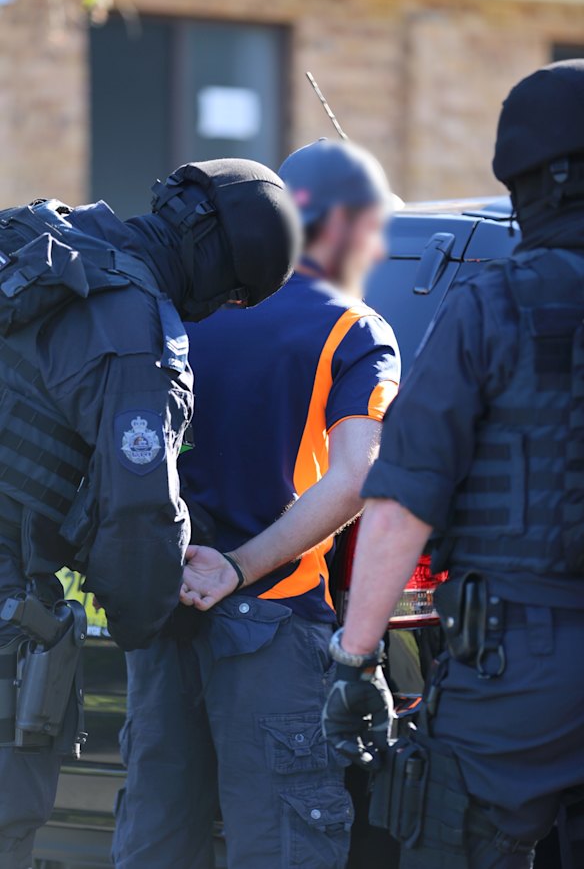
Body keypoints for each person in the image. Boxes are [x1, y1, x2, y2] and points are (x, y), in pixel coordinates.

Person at [0, 158, 300, 869]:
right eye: (231, 299)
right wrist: (162, 612)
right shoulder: (138, 333)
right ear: (222, 275)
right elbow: (139, 518)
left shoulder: (37, 240)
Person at [321, 59, 584, 869]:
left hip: (519, 667)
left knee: (451, 840)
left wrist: (357, 660)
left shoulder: (492, 304)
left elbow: (399, 500)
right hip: (520, 651)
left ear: (529, 179)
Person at [112, 138, 401, 869]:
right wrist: (237, 569)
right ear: (338, 223)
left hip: (162, 618)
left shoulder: (179, 305)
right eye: (375, 225)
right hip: (271, 631)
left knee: (155, 842)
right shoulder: (355, 328)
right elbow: (355, 477)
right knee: (282, 847)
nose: (378, 244)